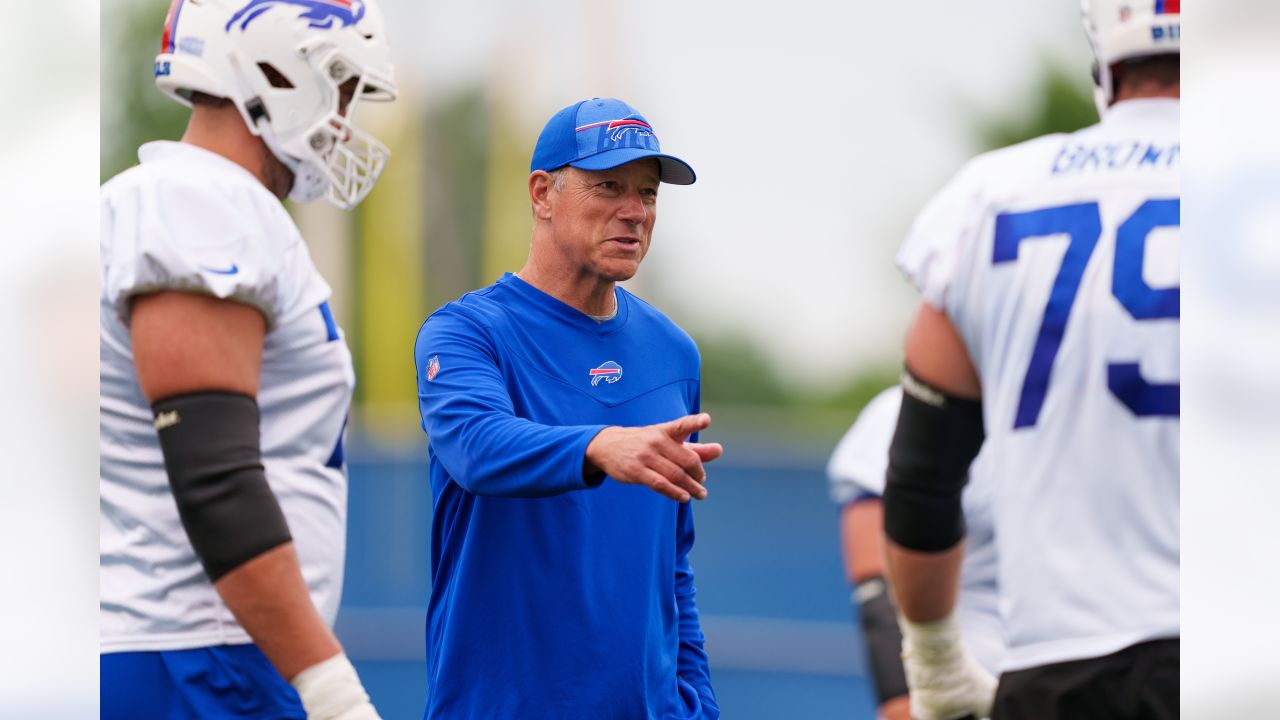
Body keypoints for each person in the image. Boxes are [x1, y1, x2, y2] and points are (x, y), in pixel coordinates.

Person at [880, 0, 1180, 718]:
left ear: (1105, 55)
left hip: (1058, 668)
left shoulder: (990, 196)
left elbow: (921, 480)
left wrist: (937, 659)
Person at [99, 1, 398, 718]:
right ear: (277, 68)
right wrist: (329, 685)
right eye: (343, 87)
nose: (347, 119)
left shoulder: (177, 201)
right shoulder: (199, 203)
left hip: (185, 648)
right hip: (195, 654)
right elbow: (215, 480)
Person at [414, 97, 720, 719]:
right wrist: (601, 445)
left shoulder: (673, 352)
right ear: (542, 193)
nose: (634, 212)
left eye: (649, 193)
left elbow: (673, 565)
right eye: (609, 186)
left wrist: (700, 703)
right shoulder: (466, 333)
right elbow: (477, 448)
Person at [827, 386, 1001, 720]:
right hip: (954, 685)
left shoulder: (1073, 418)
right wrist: (905, 703)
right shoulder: (898, 414)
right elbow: (877, 592)